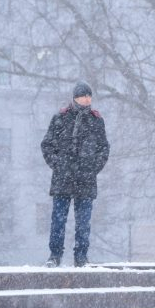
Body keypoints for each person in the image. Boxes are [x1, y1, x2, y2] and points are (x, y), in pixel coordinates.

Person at [41, 81, 110, 267]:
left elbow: (104, 148)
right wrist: (58, 165)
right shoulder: (60, 118)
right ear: (75, 97)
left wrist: (92, 168)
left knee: (83, 223)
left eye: (89, 96)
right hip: (62, 179)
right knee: (58, 220)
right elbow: (47, 145)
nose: (87, 99)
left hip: (85, 180)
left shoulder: (96, 121)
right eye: (83, 95)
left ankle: (81, 257)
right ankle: (54, 256)